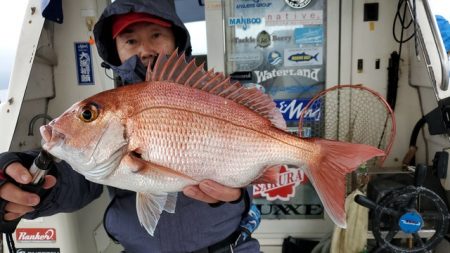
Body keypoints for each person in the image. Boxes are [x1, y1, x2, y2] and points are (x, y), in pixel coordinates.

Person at [0, 0, 261, 252]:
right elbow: (75, 176)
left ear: (176, 39)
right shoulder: (112, 109)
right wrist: (28, 179)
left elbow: (248, 152)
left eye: (156, 35)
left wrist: (237, 195)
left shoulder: (214, 97)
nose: (145, 50)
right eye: (131, 40)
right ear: (114, 48)